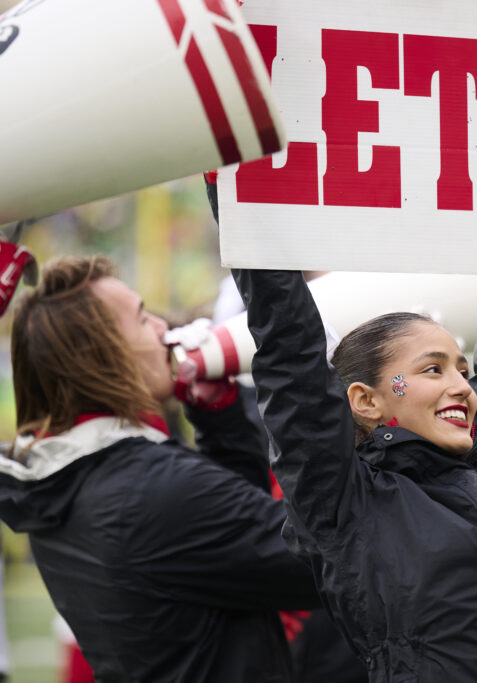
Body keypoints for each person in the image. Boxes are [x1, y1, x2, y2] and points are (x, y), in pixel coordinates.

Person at [221, 108, 477, 682]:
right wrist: (240, 190)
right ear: (365, 400)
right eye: (432, 370)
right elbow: (289, 346)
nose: (462, 384)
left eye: (461, 367)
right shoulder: (341, 501)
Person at [0, 256, 322, 682]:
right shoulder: (152, 487)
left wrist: (221, 422)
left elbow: (232, 557)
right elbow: (325, 565)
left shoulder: (69, 475)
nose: (161, 328)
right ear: (101, 356)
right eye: (141, 317)